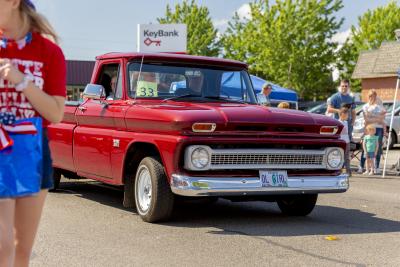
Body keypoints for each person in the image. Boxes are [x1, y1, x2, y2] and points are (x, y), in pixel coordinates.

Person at [0, 1, 66, 266]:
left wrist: (22, 81)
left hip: (33, 150)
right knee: (3, 247)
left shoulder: (49, 51)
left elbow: (56, 113)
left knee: (21, 249)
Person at [357, 89, 386, 174]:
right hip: (368, 128)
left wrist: (371, 117)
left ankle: (376, 167)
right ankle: (362, 166)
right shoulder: (365, 106)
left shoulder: (379, 107)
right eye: (369, 96)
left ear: (375, 96)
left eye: (373, 96)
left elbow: (381, 119)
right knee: (365, 147)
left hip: (379, 128)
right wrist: (376, 118)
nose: (371, 98)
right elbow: (366, 119)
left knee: (377, 147)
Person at [338, 107, 351, 176]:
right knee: (340, 157)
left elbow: (347, 132)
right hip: (341, 142)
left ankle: (348, 171)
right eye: (347, 115)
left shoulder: (346, 122)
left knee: (347, 157)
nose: (348, 116)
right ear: (342, 114)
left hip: (347, 141)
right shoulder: (338, 122)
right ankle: (339, 170)